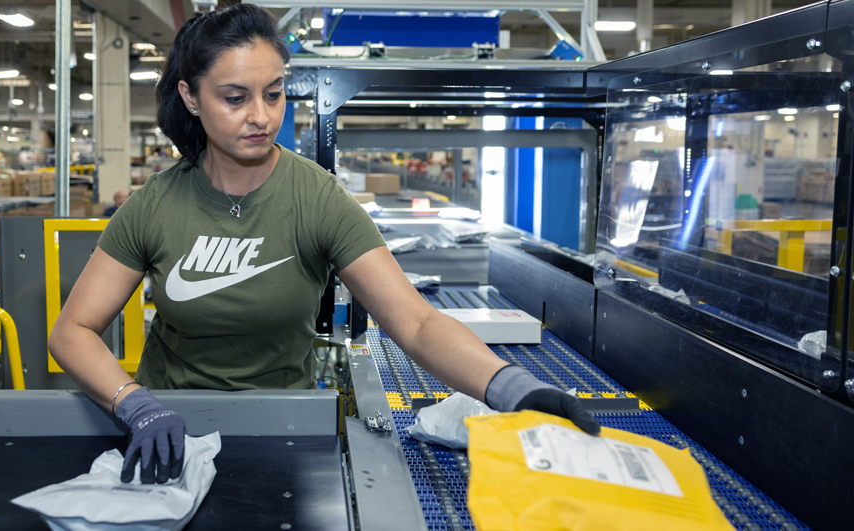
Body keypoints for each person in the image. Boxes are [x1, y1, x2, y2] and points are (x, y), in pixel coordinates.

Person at [48, 4, 599, 486]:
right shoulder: (155, 206)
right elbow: (72, 331)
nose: (261, 117)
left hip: (284, 423)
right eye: (235, 98)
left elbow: (417, 323)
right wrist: (134, 404)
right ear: (191, 98)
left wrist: (510, 389)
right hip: (169, 429)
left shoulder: (317, 199)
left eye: (273, 93)